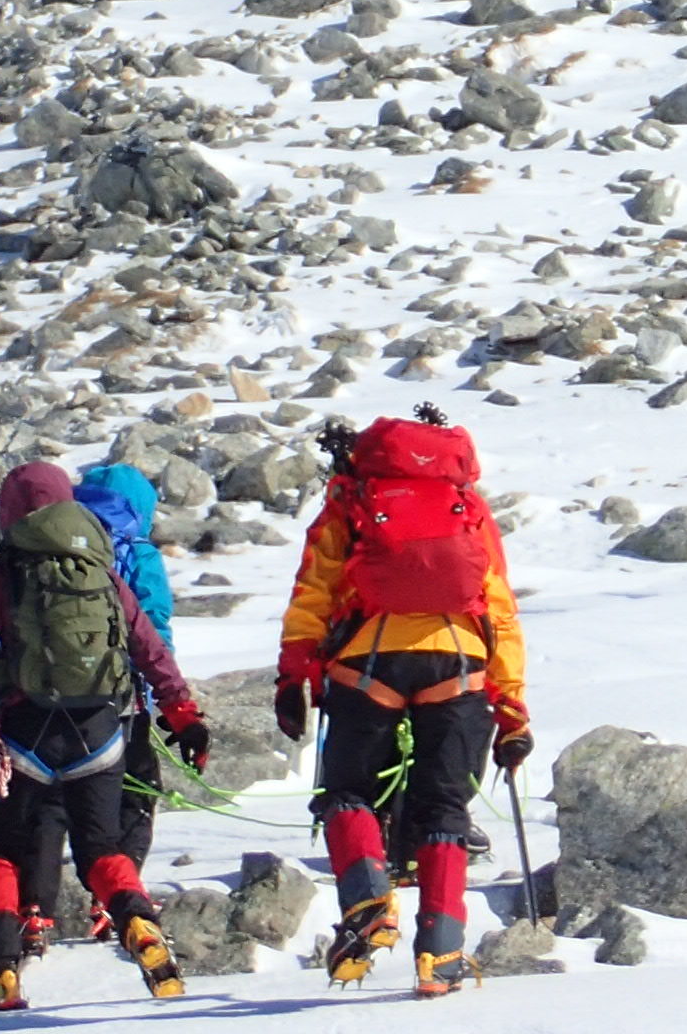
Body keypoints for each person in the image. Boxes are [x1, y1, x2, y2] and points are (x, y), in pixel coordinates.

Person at [0, 463, 208, 1011]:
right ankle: (141, 927)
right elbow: (148, 647)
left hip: (21, 736)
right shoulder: (101, 570)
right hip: (100, 732)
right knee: (100, 849)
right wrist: (183, 714)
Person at [275, 407, 530, 1000]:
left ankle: (367, 898)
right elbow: (499, 606)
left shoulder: (352, 499)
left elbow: (312, 591)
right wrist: (511, 707)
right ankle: (440, 953)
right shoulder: (466, 504)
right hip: (458, 661)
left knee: (347, 792)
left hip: (369, 659)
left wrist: (295, 675)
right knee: (445, 808)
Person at [17, 463, 179, 952]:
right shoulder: (136, 552)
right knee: (134, 792)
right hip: (120, 697)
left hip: (45, 699)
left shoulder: (51, 542)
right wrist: (162, 691)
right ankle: (115, 898)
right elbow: (154, 621)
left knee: (51, 803)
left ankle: (34, 912)